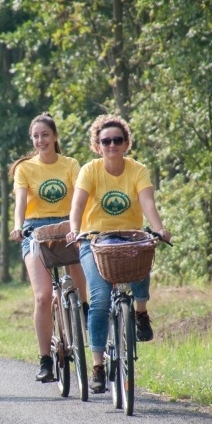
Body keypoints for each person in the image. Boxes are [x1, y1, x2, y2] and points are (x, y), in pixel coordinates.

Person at [66, 114, 171, 393]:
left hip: (130, 237)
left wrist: (159, 229)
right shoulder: (90, 170)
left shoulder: (137, 170)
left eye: (117, 140)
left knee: (143, 257)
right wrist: (75, 230)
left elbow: (147, 202)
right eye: (105, 141)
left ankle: (140, 312)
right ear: (97, 145)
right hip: (94, 240)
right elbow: (77, 207)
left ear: (126, 144)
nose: (111, 145)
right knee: (99, 299)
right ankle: (98, 366)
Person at [9, 113, 87, 383]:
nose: (40, 140)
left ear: (54, 137)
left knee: (79, 277)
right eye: (36, 136)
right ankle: (45, 360)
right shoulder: (25, 168)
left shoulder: (71, 164)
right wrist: (18, 226)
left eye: (45, 135)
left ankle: (85, 313)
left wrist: (80, 224)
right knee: (43, 296)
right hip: (36, 230)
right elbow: (20, 201)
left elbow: (80, 195)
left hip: (67, 226)